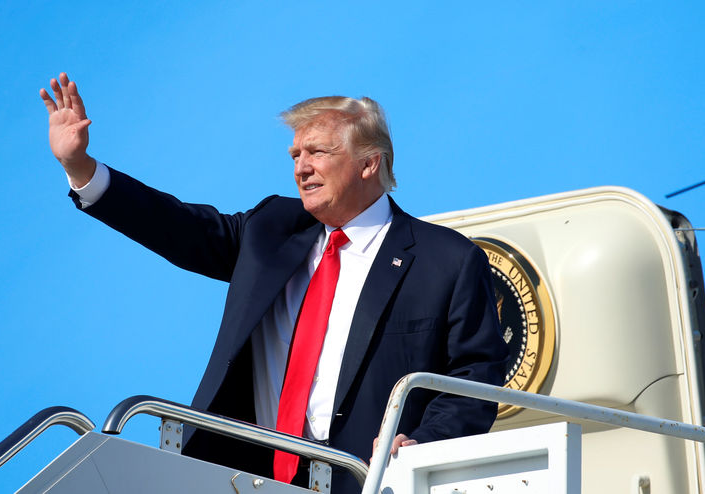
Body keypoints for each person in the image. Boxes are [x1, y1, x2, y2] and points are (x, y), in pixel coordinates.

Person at [40, 73, 509, 493]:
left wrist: (426, 443)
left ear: (370, 163)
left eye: (317, 152)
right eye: (295, 155)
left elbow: (474, 379)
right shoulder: (271, 228)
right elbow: (180, 227)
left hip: (365, 479)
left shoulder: (445, 259)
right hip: (245, 476)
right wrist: (83, 169)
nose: (300, 168)